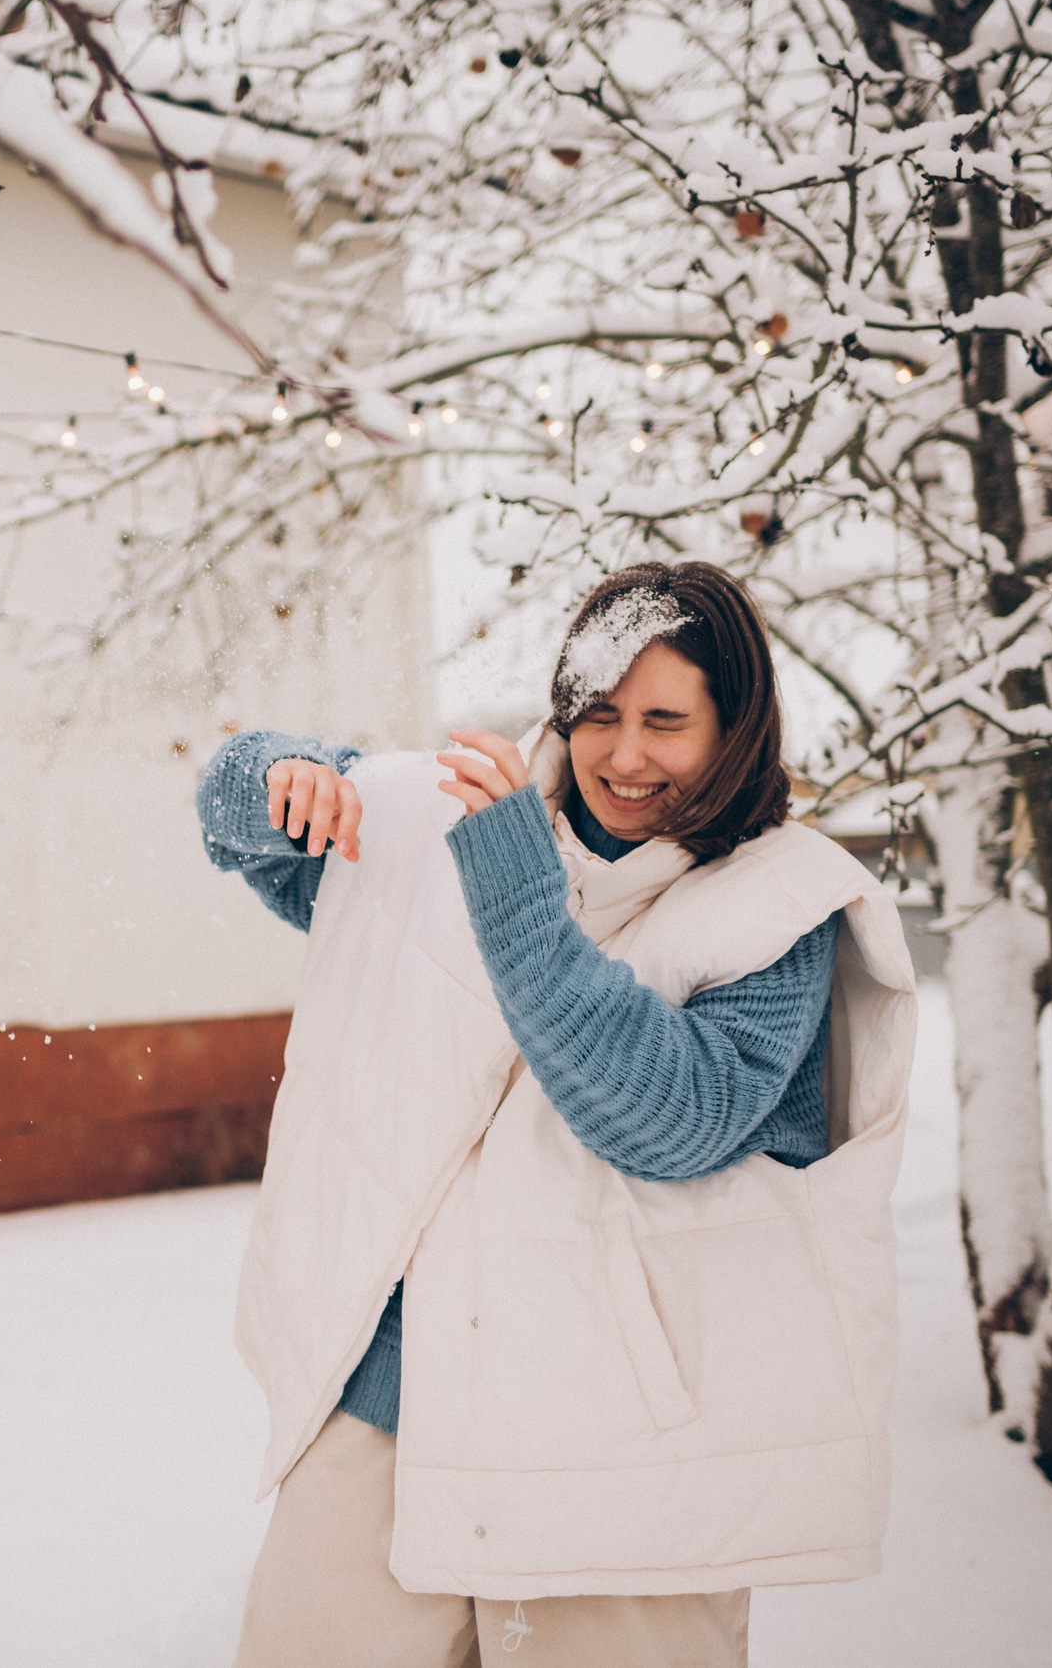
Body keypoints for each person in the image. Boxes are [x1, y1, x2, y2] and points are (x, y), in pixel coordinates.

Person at [199, 561, 917, 1668]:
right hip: (390, 1396)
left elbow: (672, 1121)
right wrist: (272, 779)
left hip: (627, 1456)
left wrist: (516, 894)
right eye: (597, 716)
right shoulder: (459, 821)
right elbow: (250, 816)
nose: (625, 756)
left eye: (665, 722)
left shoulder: (787, 903)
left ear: (734, 727)